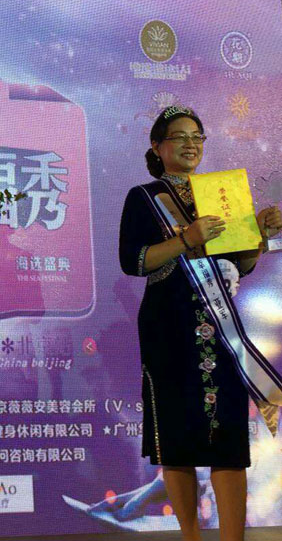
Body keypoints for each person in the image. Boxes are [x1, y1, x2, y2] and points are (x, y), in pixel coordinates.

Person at [118, 105, 282, 541]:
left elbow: (240, 264)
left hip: (220, 329)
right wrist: (185, 240)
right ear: (158, 147)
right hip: (168, 326)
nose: (191, 144)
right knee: (178, 441)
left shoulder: (220, 193)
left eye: (197, 137)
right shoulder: (143, 197)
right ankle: (190, 536)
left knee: (229, 441)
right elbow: (134, 261)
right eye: (180, 136)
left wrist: (260, 234)